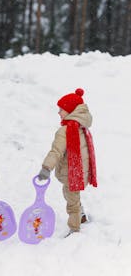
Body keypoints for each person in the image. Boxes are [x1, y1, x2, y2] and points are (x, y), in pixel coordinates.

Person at [38, 88, 97, 237]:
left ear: (70, 111)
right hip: (80, 171)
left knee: (72, 202)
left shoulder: (65, 130)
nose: (58, 112)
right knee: (71, 196)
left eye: (61, 109)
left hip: (72, 173)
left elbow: (56, 151)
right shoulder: (82, 126)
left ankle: (74, 228)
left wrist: (46, 168)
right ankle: (81, 215)